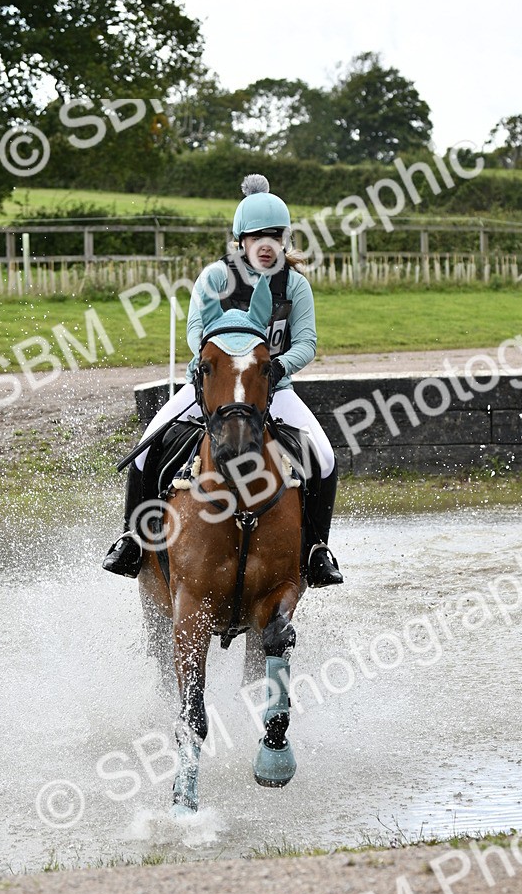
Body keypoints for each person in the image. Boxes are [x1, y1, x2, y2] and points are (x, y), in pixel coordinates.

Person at [102, 174, 344, 588]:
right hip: (209, 388)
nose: (266, 245)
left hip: (272, 391)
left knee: (324, 458)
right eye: (257, 237)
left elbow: (307, 341)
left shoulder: (296, 286)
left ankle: (315, 550)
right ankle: (132, 540)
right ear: (241, 241)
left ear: (285, 240)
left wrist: (281, 369)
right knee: (148, 444)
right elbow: (196, 330)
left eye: (275, 236)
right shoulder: (215, 278)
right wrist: (210, 365)